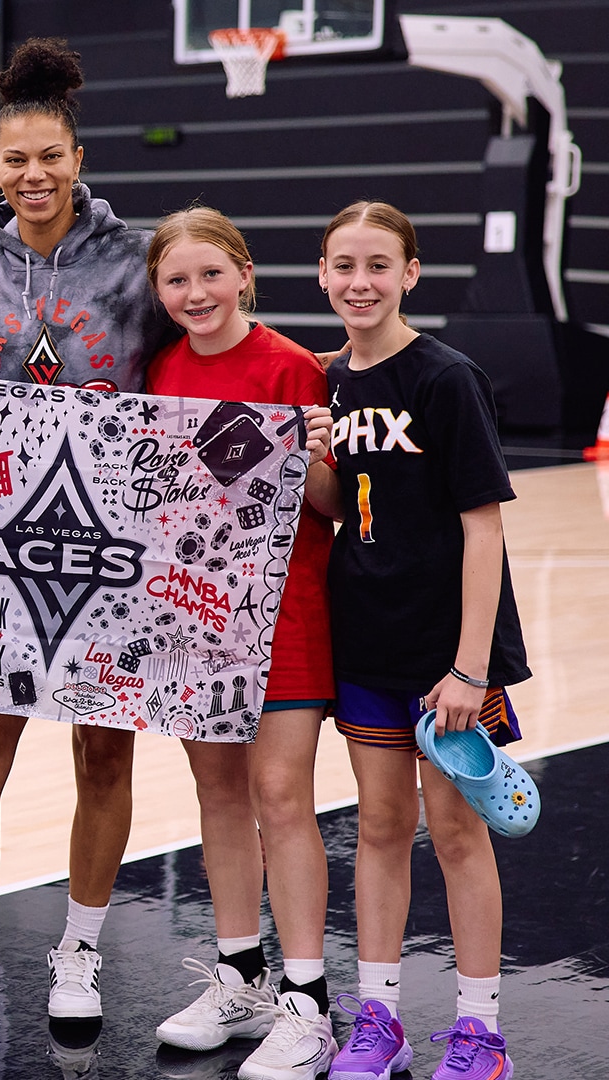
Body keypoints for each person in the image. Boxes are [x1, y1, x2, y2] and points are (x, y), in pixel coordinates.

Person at [0, 37, 182, 1046]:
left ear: (78, 159)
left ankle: (79, 953)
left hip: (112, 545)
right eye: (14, 160)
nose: (33, 175)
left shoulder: (140, 259)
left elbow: (209, 353)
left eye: (50, 157)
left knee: (101, 761)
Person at [304, 201, 528, 1080]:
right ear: (321, 275)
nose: (360, 283)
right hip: (367, 643)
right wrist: (319, 456)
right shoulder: (327, 382)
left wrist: (470, 667)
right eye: (344, 266)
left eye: (378, 266)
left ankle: (480, 1034)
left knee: (458, 834)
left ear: (410, 274)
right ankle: (379, 1021)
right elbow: (331, 507)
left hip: (450, 658)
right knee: (381, 827)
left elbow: (485, 529)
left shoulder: (445, 377)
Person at [142, 206, 341, 1080]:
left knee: (280, 795)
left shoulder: (292, 365)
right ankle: (240, 978)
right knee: (218, 792)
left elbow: (332, 506)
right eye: (177, 281)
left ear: (245, 273)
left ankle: (307, 1002)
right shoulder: (161, 368)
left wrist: (319, 457)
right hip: (193, 618)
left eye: (210, 275)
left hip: (286, 614)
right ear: (159, 292)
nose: (196, 294)